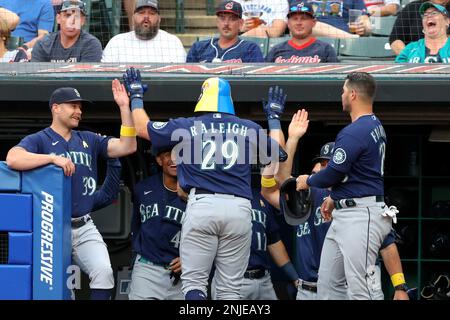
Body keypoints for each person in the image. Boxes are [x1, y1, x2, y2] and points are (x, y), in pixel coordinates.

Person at [122, 67, 286, 300]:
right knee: (230, 290)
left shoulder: (187, 125)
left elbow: (141, 128)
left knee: (194, 285)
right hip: (239, 209)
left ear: (202, 99)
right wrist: (274, 120)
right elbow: (278, 153)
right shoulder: (248, 127)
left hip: (202, 204)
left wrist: (136, 96)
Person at [6, 81, 137, 300]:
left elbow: (128, 146)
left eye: (80, 107)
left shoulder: (89, 139)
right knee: (54, 286)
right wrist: (51, 158)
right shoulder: (40, 139)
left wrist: (125, 107)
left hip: (84, 225)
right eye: (72, 106)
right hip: (50, 226)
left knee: (103, 272)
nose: (79, 111)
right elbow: (12, 158)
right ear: (55, 108)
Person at [263, 109, 410, 300]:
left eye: (327, 164)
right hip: (307, 290)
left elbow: (387, 245)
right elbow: (281, 180)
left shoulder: (356, 203)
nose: (320, 168)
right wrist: (292, 138)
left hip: (347, 290)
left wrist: (399, 286)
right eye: (320, 163)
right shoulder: (310, 192)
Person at [295, 72, 394, 300]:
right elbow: (354, 173)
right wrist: (335, 198)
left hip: (361, 215)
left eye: (343, 91)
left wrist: (307, 181)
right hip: (348, 211)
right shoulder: (374, 124)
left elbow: (332, 174)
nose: (341, 95)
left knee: (362, 290)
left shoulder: (355, 131)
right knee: (329, 286)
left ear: (352, 94)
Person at [211, 187, 298, 300]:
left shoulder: (261, 196)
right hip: (231, 279)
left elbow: (273, 241)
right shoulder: (218, 197)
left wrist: (294, 277)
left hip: (263, 280)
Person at [129, 146, 186, 300]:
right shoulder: (143, 188)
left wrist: (190, 259)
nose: (174, 160)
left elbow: (206, 235)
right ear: (159, 160)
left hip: (183, 274)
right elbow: (136, 226)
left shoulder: (195, 193)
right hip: (148, 270)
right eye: (168, 155)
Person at [102, 0, 186, 63]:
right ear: (133, 17)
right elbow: (105, 76)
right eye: (141, 13)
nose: (146, 17)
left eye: (152, 13)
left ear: (159, 19)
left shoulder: (172, 42)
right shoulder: (116, 42)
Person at [186, 1, 264, 63]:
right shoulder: (198, 48)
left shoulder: (250, 49)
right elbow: (187, 79)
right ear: (217, 22)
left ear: (240, 23)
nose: (226, 23)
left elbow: (258, 81)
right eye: (222, 18)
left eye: (232, 19)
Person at [266, 1, 339, 63]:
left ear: (313, 22)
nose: (298, 23)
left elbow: (335, 78)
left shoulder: (326, 49)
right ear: (288, 23)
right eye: (294, 19)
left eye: (303, 19)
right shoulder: (276, 50)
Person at [31, 0, 103, 63]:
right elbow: (37, 76)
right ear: (58, 18)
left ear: (83, 21)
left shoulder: (91, 45)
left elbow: (85, 77)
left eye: (77, 17)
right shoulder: (43, 45)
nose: (71, 21)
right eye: (67, 15)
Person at [303, 0, 372, 38]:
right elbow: (295, 22)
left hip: (346, 43)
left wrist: (363, 27)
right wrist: (351, 38)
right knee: (308, 24)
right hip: (311, 38)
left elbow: (365, 21)